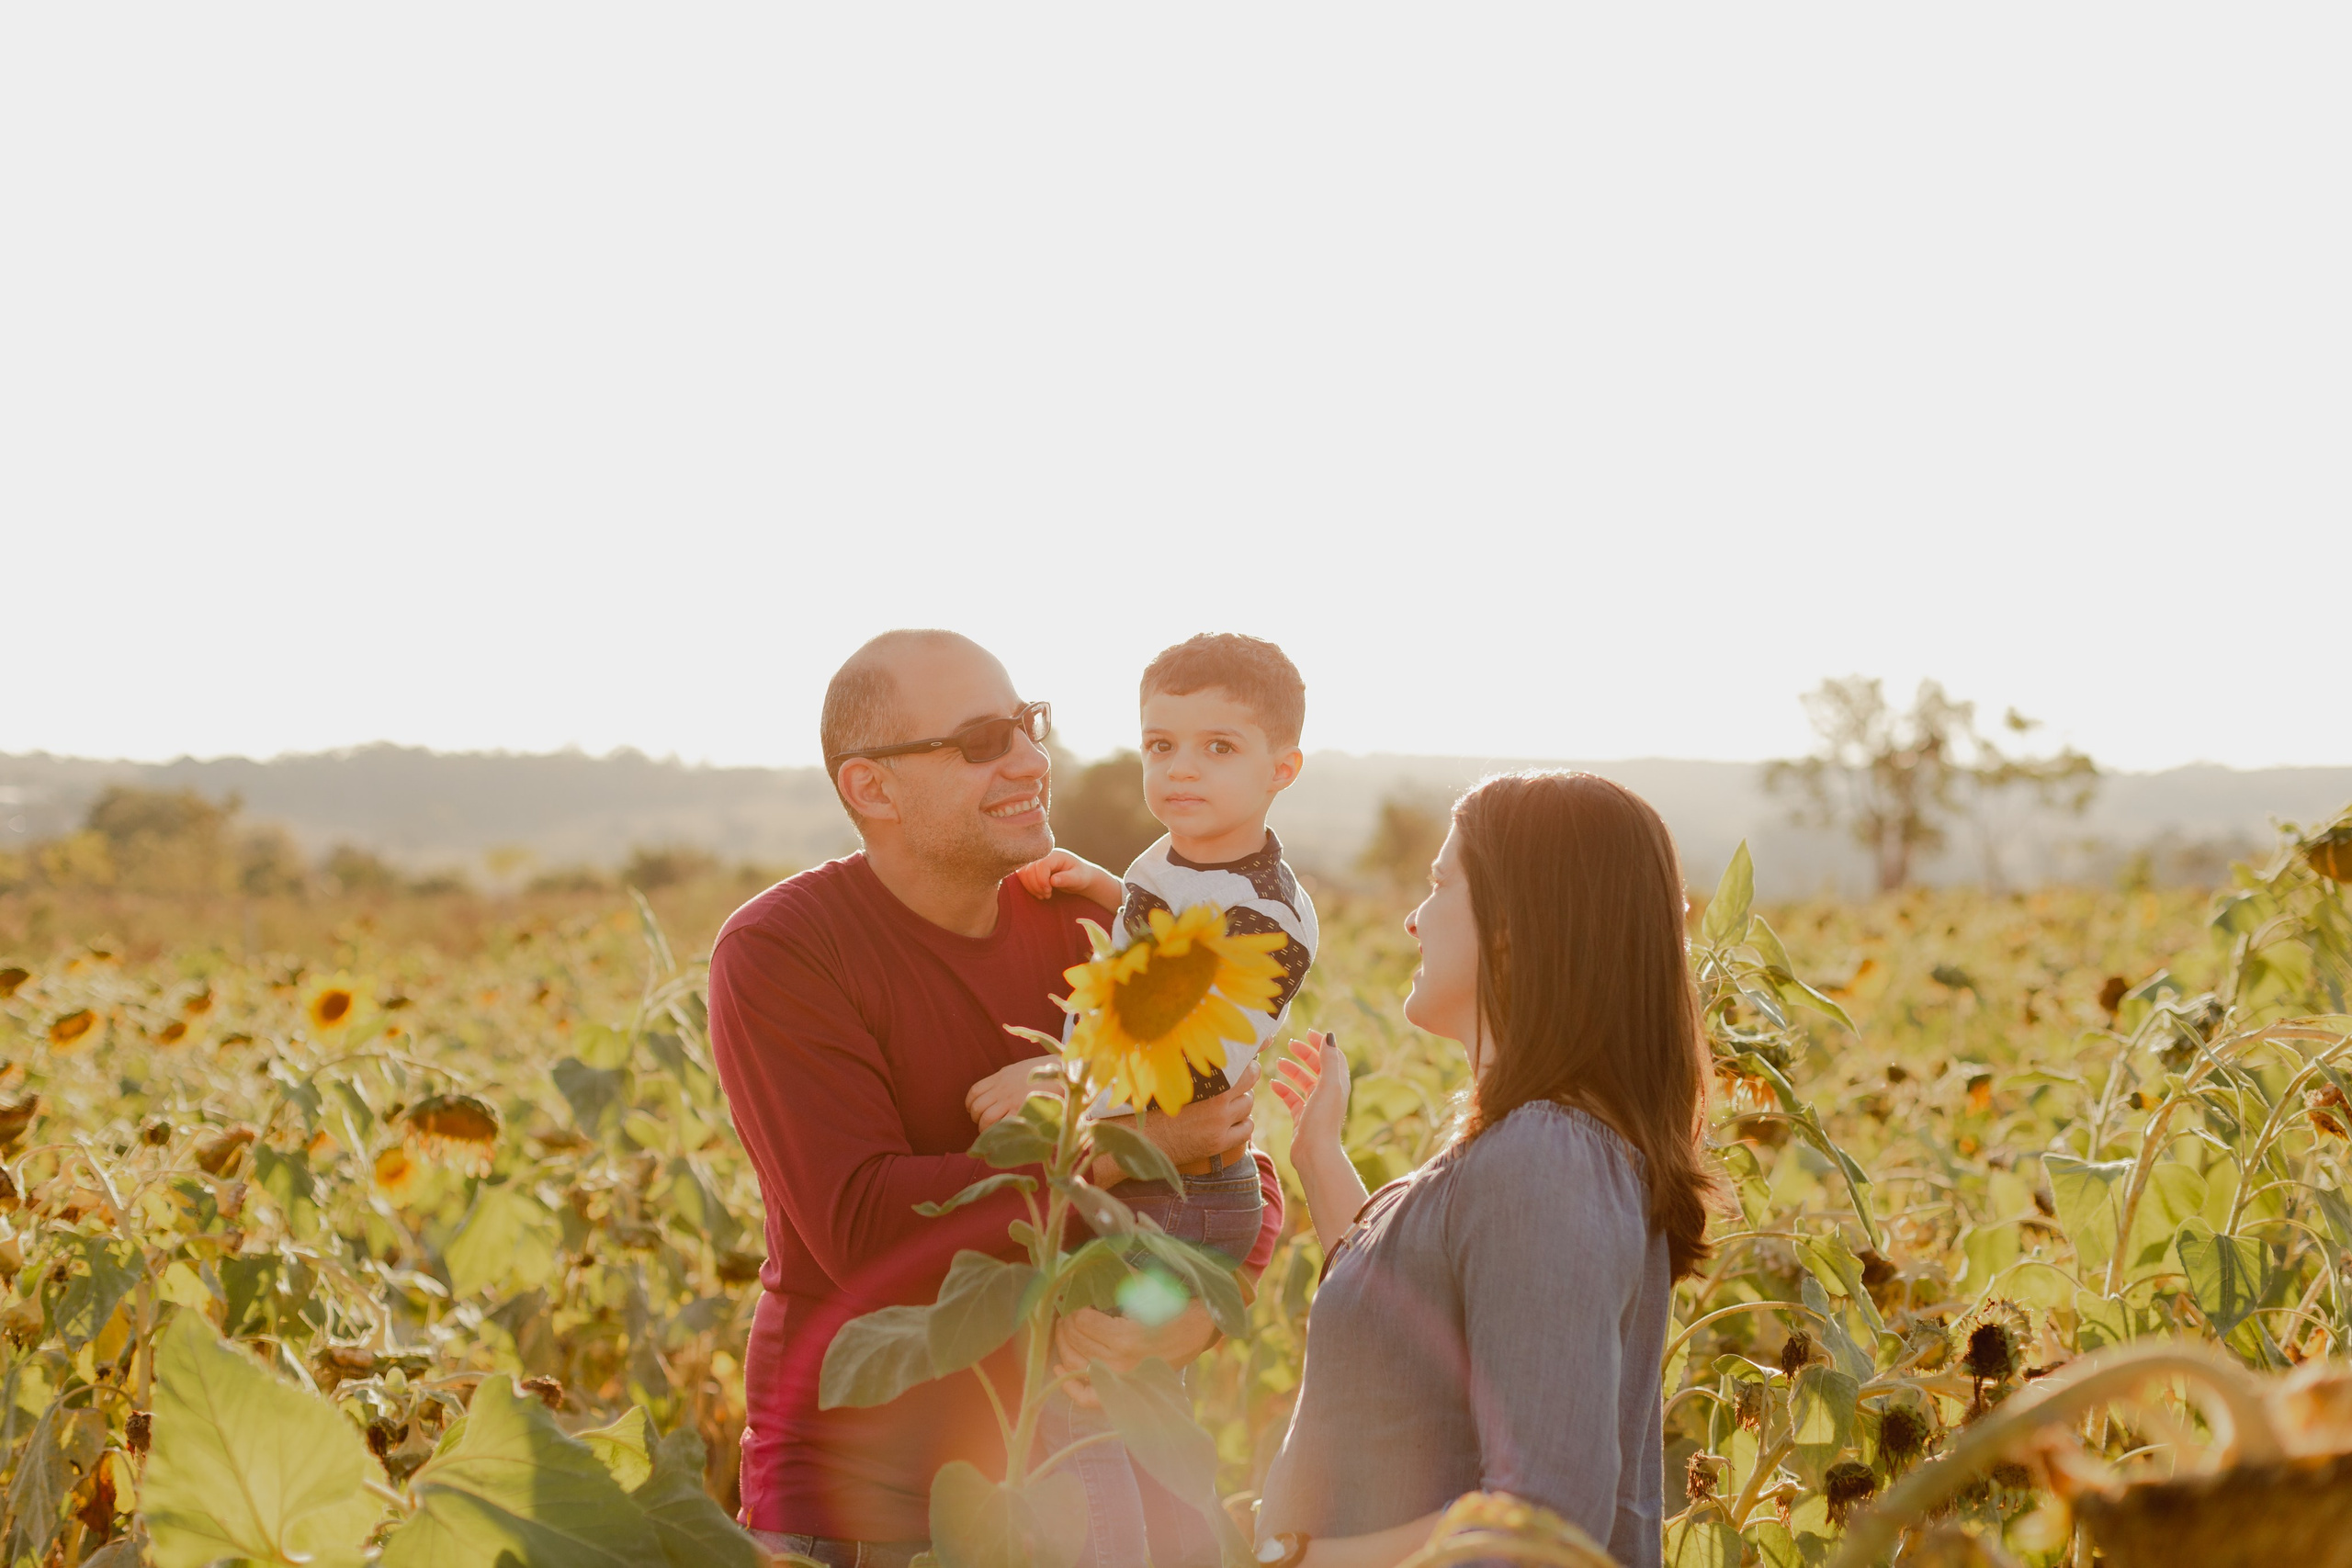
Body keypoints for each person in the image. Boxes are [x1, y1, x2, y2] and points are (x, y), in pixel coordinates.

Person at [707, 629, 1287, 1566]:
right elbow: (865, 1227)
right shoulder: (786, 949)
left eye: (1027, 724)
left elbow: (1228, 1144)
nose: (1029, 760)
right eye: (982, 741)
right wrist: (1124, 1149)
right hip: (863, 1508)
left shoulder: (1084, 921)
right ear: (872, 788)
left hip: (1081, 1494)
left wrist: (1199, 1311)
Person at [1256, 772, 1719, 1568]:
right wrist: (1319, 1157)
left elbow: (1536, 1526)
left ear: (1509, 926)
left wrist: (1303, 1559)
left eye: (1440, 884)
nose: (1413, 918)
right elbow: (1413, 1330)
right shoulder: (1537, 1149)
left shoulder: (1547, 1158)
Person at [966, 633, 1319, 1568]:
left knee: (1079, 1410)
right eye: (1161, 745)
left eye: (1218, 747)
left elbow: (1186, 1047)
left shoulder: (1266, 918)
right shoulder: (1190, 861)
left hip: (1181, 1196)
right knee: (1141, 1417)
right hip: (1169, 1186)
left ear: (1281, 769)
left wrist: (1055, 1076)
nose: (1180, 769)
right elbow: (1164, 927)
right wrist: (1113, 889)